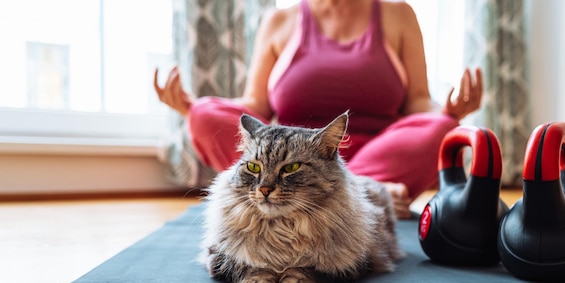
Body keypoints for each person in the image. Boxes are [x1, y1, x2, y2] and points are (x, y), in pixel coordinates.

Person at [154, 0, 482, 219]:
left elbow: (418, 103)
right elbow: (254, 106)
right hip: (291, 161)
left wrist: (450, 111)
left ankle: (359, 190)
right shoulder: (279, 20)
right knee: (205, 115)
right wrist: (192, 108)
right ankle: (370, 197)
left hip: (377, 152)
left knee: (441, 128)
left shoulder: (398, 13)